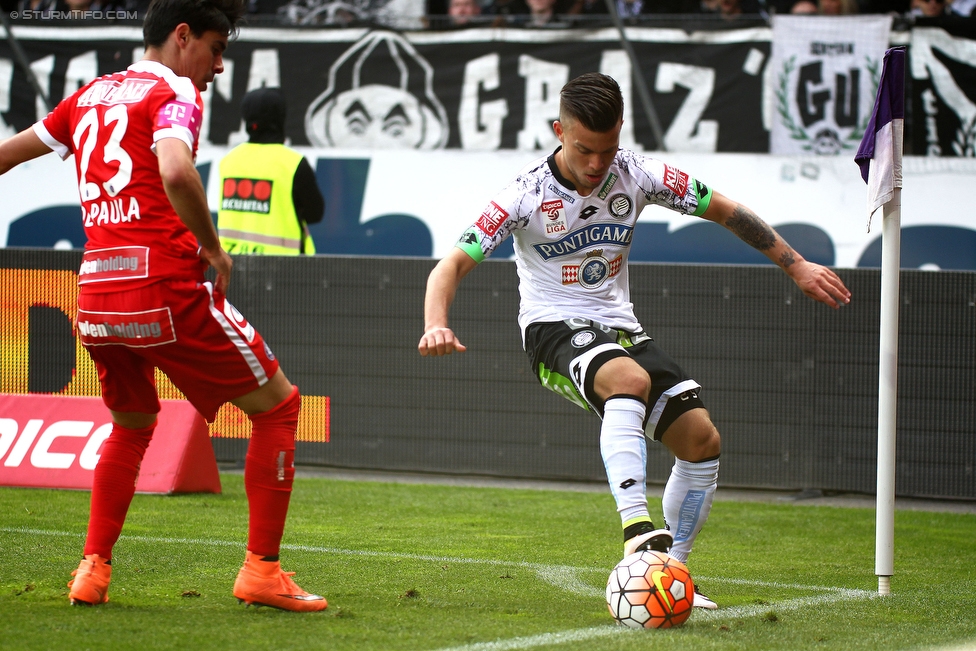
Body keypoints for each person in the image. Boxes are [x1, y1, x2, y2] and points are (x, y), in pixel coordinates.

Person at [418, 72, 851, 609]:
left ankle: (671, 577)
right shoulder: (523, 194)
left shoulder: (639, 175)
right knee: (629, 378)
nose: (597, 163)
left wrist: (796, 264)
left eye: (607, 148)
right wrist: (435, 322)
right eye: (583, 149)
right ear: (559, 130)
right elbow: (451, 265)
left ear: (621, 131)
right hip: (553, 330)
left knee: (701, 440)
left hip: (622, 328)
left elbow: (726, 210)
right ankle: (637, 533)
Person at [0, 0, 327, 612]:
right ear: (183, 37)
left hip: (95, 297)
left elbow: (7, 156)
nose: (219, 66)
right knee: (282, 408)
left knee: (131, 425)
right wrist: (212, 245)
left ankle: (92, 572)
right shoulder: (174, 91)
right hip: (164, 289)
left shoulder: (90, 95)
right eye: (217, 47)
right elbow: (175, 170)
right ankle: (262, 570)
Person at [217, 87, 323, 255]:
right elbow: (315, 214)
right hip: (284, 268)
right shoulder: (293, 163)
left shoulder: (229, 161)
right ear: (280, 118)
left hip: (232, 264)